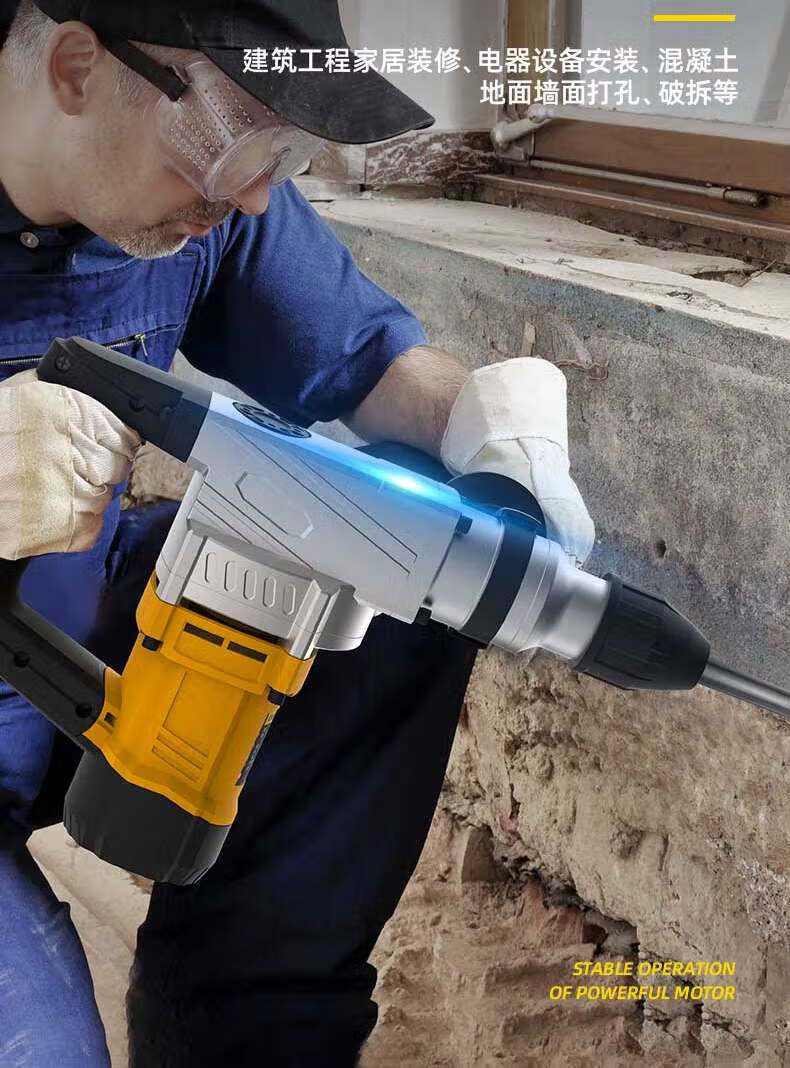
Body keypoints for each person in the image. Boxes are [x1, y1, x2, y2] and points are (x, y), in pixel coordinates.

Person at [0, 1, 595, 1064]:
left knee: (400, 572)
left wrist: (491, 421)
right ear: (78, 68)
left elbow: (378, 368)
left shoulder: (202, 210)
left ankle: (250, 1022)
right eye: (231, 142)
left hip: (60, 651)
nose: (252, 193)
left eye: (279, 153)